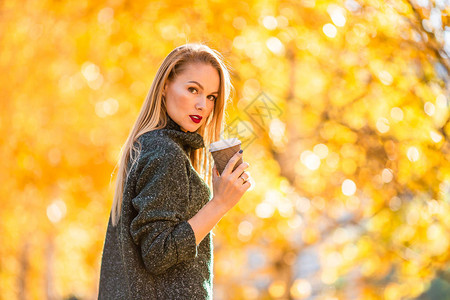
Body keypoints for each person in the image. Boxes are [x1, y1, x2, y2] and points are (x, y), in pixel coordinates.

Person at [97, 43, 252, 299]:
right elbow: (158, 253)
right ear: (165, 85)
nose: (203, 105)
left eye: (211, 97)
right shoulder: (164, 152)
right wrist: (219, 203)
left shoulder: (150, 145)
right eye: (193, 90)